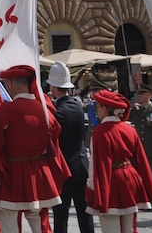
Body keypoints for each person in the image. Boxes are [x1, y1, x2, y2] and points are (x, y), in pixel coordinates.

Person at [0, 64, 71, 233]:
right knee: (40, 222)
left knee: (9, 220)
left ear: (10, 83)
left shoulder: (4, 112)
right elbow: (53, 144)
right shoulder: (46, 111)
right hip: (40, 172)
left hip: (13, 173)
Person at [85, 91, 152, 233]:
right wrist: (150, 189)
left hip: (111, 182)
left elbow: (95, 166)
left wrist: (91, 189)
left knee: (110, 228)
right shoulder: (129, 129)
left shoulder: (100, 132)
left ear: (104, 109)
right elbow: (142, 161)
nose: (97, 111)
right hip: (130, 178)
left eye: (99, 107)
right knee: (129, 229)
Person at [48, 62, 93, 233]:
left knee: (60, 215)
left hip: (63, 169)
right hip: (81, 166)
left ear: (53, 86)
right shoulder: (77, 106)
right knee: (85, 214)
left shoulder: (57, 112)